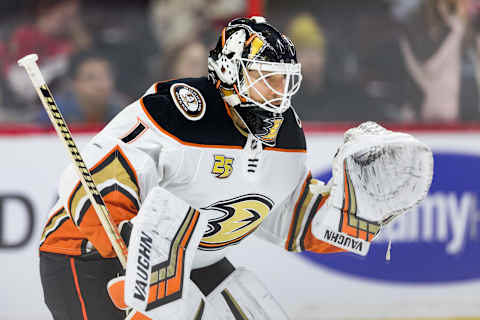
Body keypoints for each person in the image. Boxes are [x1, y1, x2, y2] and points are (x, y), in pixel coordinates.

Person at [38, 17, 432, 319]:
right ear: (229, 72)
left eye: (284, 81)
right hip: (87, 256)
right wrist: (135, 241)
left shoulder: (288, 136)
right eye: (266, 80)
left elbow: (290, 219)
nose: (278, 94)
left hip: (190, 259)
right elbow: (89, 182)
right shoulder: (182, 111)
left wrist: (356, 214)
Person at [37, 51, 126, 125]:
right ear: (73, 83)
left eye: (105, 76)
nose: (100, 85)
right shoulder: (55, 114)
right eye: (90, 78)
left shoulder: (122, 111)